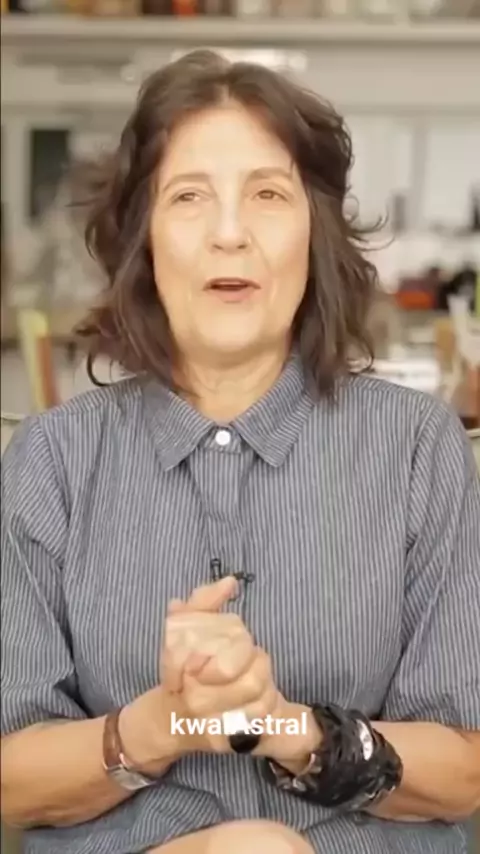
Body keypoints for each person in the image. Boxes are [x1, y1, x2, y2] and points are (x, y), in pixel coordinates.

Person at [1, 49, 479, 854]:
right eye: (190, 197)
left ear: (314, 232)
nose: (230, 233)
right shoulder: (52, 461)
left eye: (267, 195)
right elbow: (13, 781)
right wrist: (164, 723)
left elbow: (463, 769)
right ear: (143, 240)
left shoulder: (417, 450)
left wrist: (282, 727)